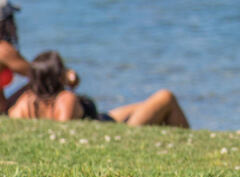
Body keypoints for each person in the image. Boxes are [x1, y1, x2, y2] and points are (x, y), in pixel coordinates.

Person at [7, 50, 188, 127]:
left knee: (144, 104)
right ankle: (186, 142)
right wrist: (69, 79)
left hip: (105, 117)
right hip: (111, 128)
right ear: (58, 73)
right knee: (166, 97)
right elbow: (64, 126)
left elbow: (13, 117)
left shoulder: (26, 101)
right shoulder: (65, 98)